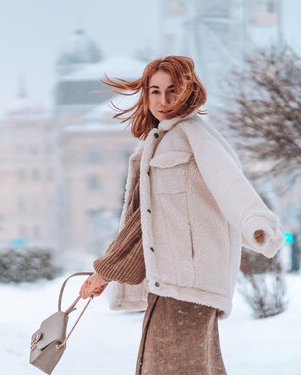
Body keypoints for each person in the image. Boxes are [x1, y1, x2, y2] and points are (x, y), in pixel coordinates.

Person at [78, 56, 285, 375]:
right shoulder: (156, 142)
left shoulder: (195, 135)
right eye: (155, 91)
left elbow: (228, 181)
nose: (163, 101)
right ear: (145, 94)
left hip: (190, 281)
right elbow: (141, 225)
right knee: (189, 367)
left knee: (169, 367)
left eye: (172, 90)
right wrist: (105, 272)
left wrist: (256, 223)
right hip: (170, 283)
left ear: (189, 91)